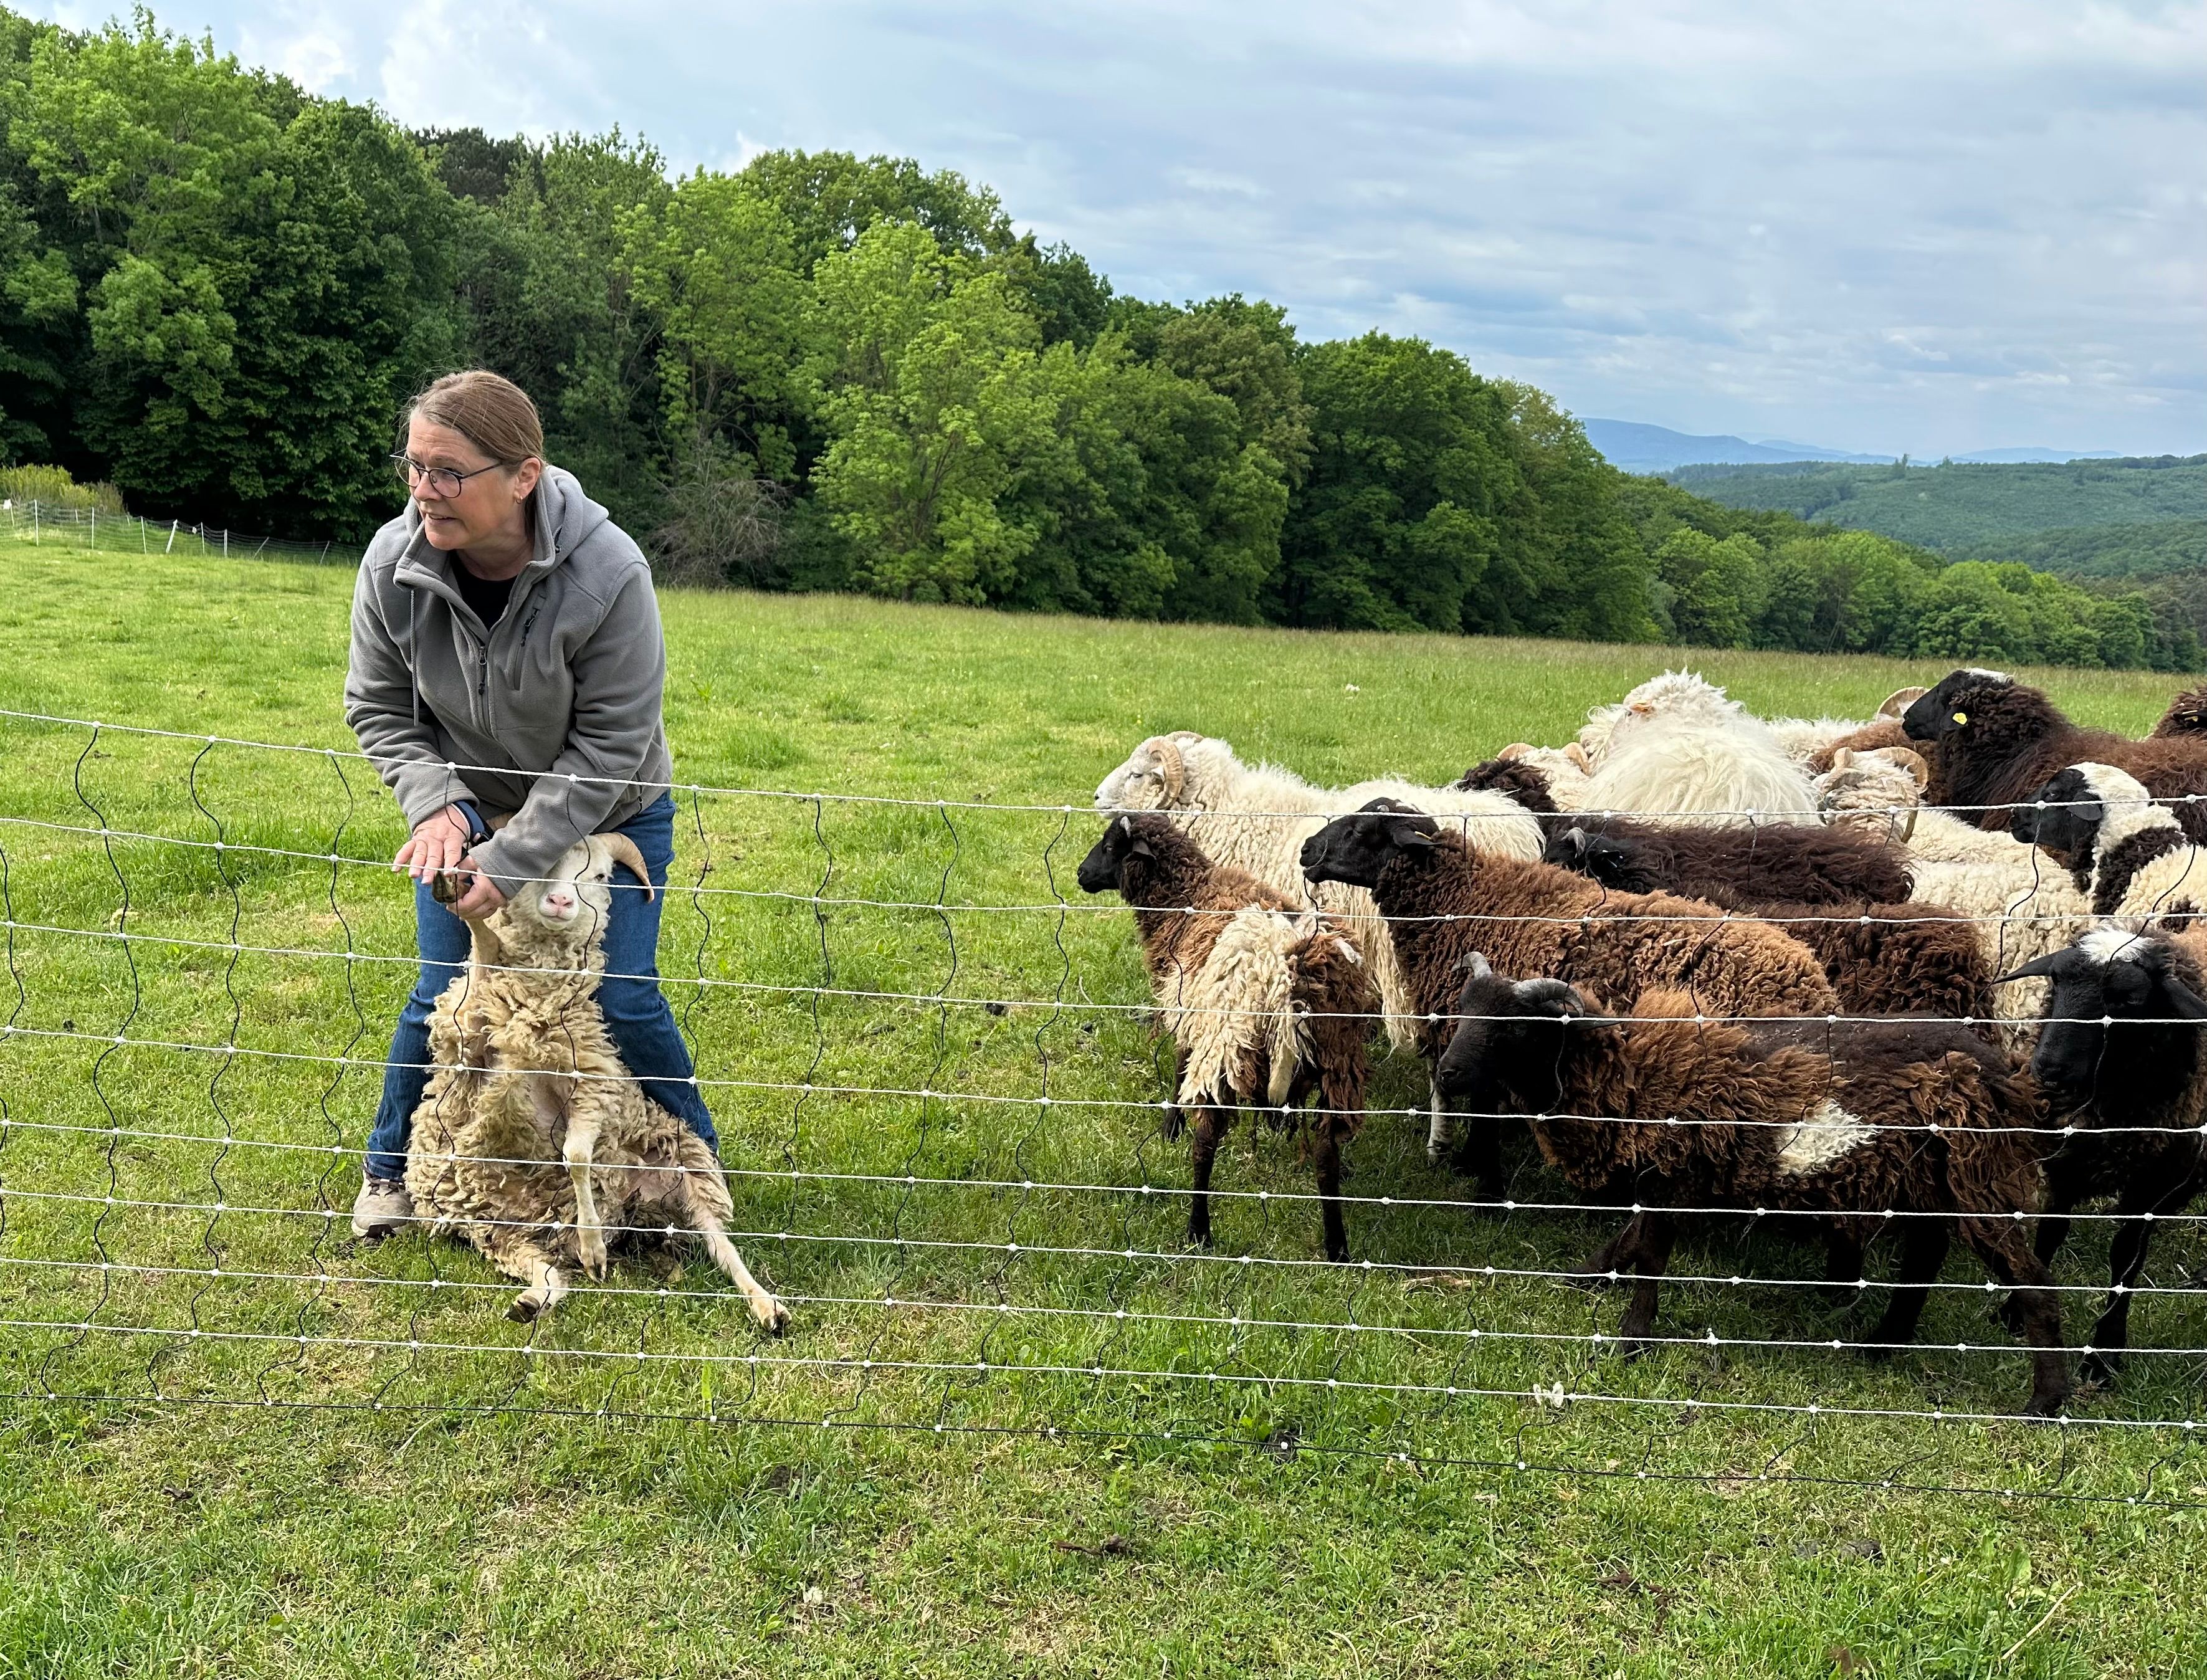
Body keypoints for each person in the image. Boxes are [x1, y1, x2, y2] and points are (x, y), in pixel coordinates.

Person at [343, 369, 715, 1238]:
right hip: (469, 802)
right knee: (451, 993)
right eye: (414, 466)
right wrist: (437, 805)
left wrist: (507, 863)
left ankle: (693, 1173)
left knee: (620, 997)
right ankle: (393, 1171)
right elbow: (378, 708)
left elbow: (611, 743)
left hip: (610, 810)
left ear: (523, 476)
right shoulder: (391, 564)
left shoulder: (609, 571)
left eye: (448, 472)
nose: (424, 491)